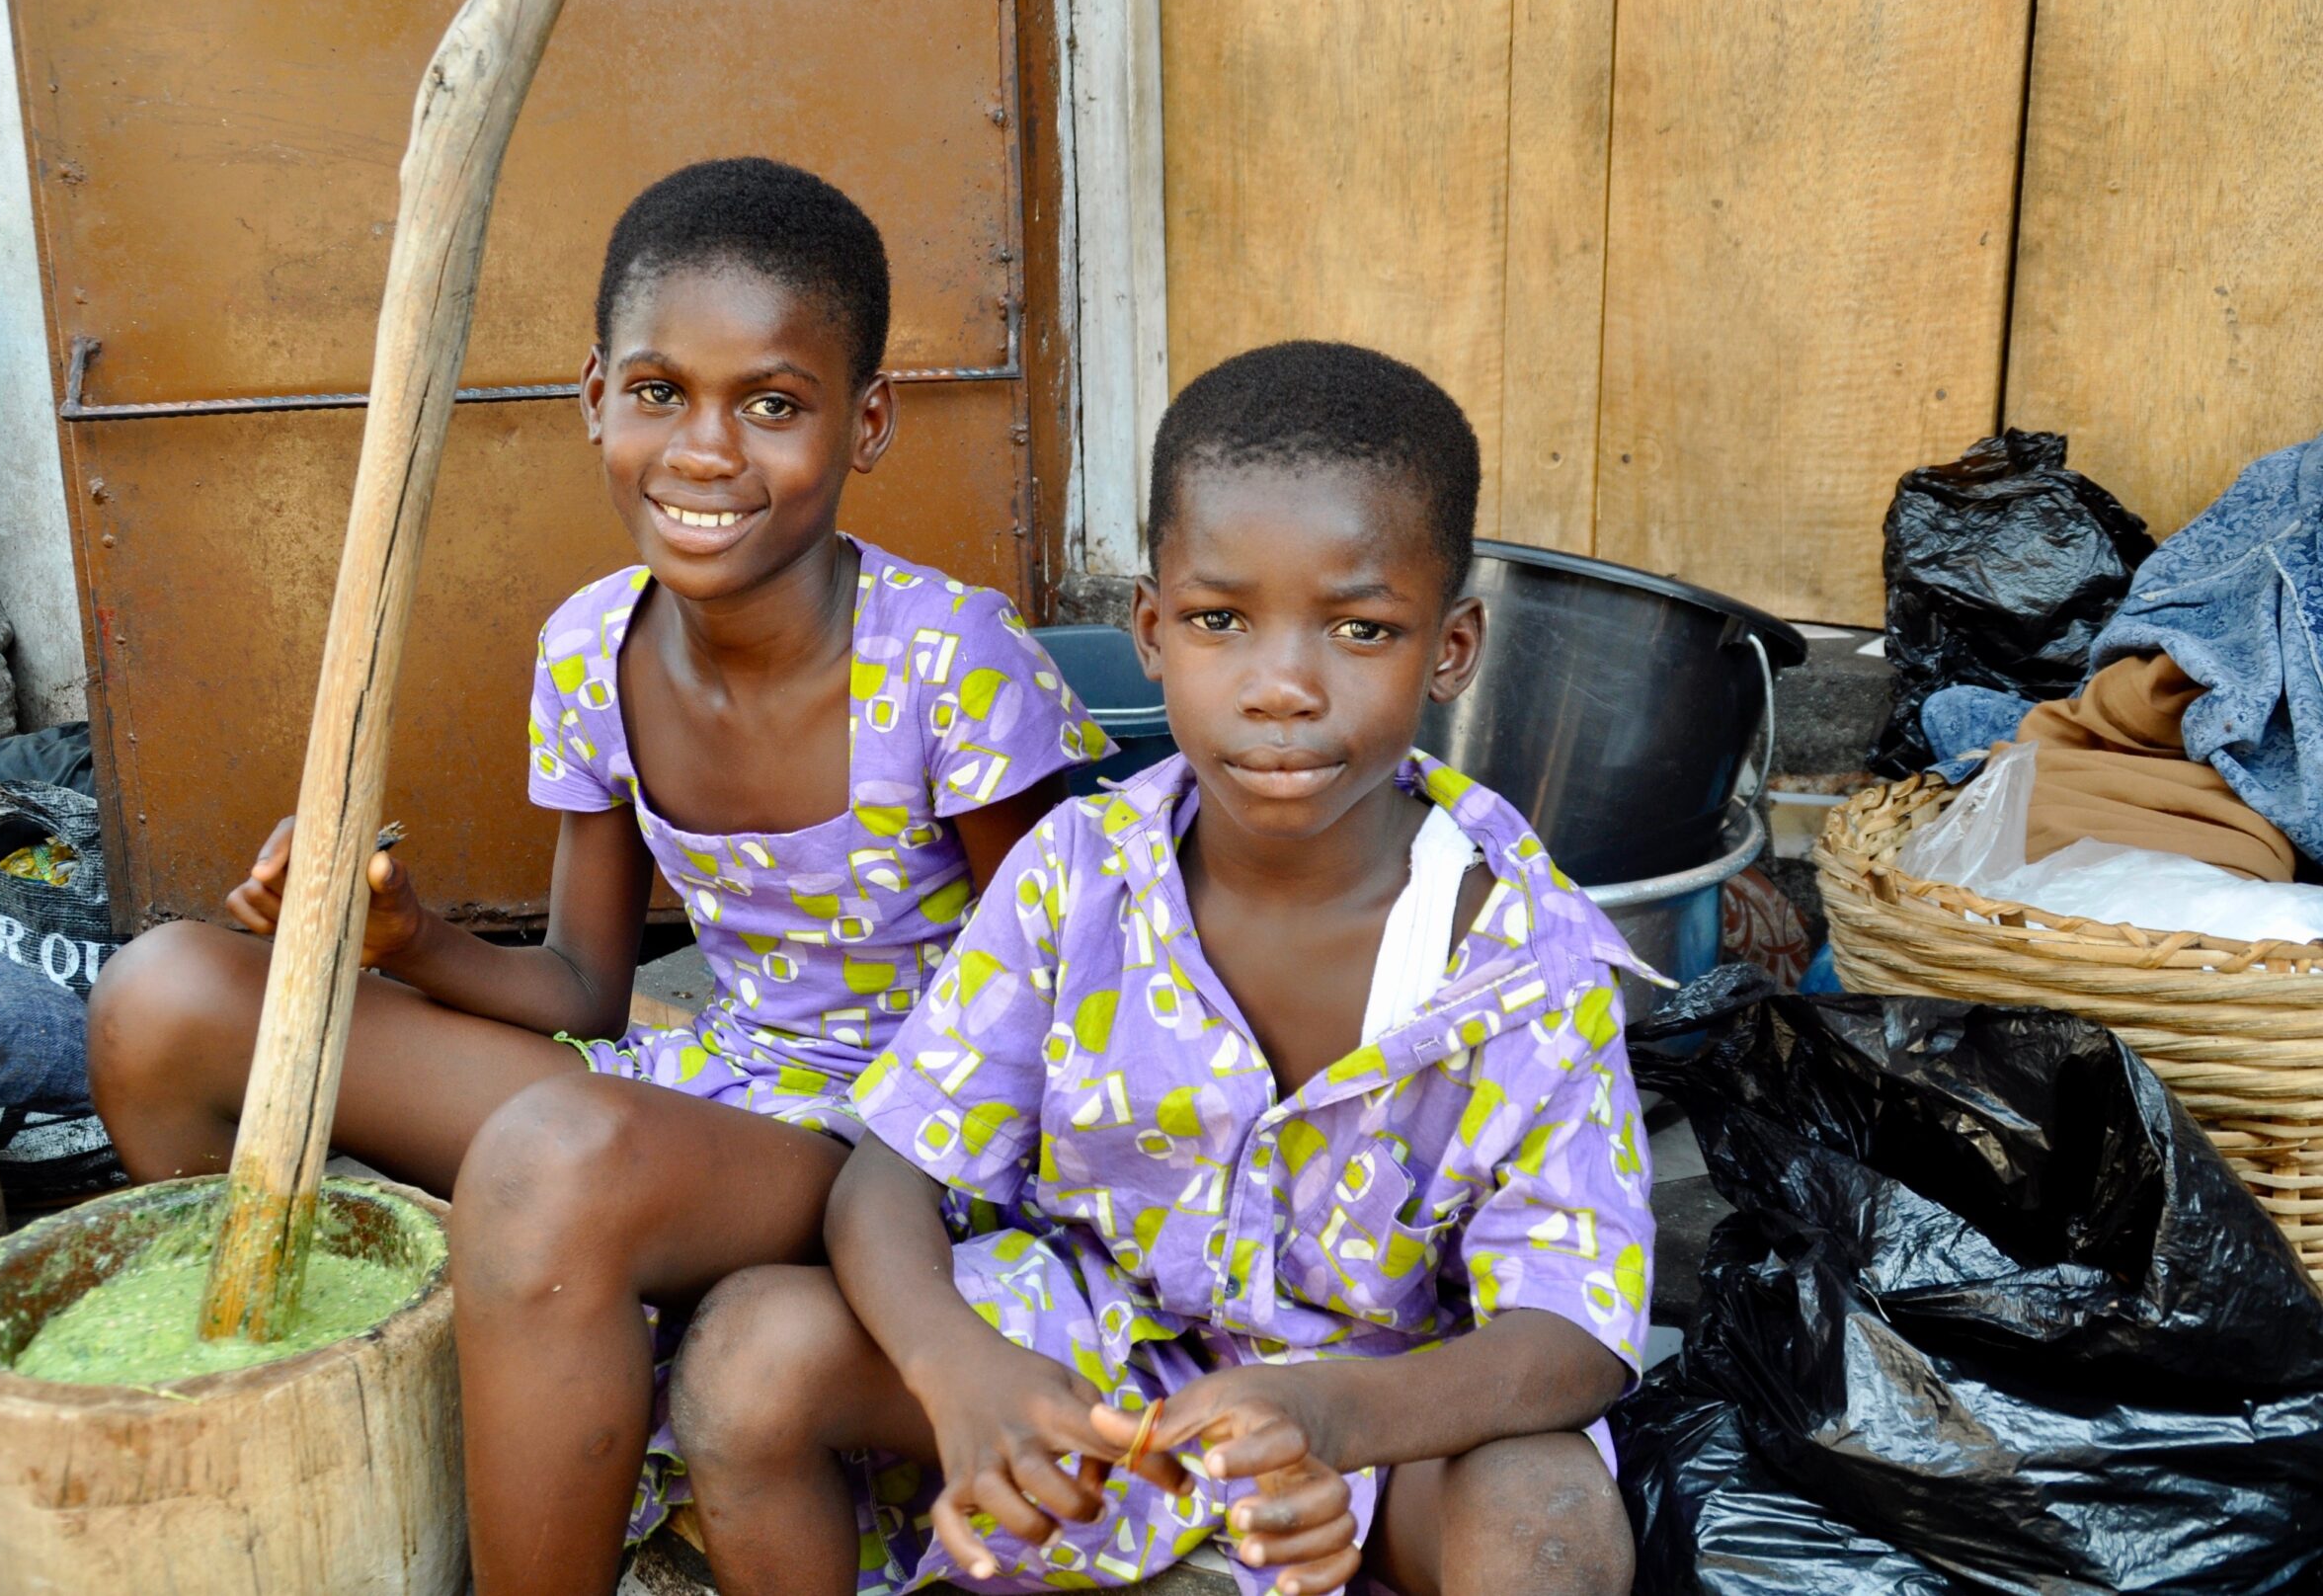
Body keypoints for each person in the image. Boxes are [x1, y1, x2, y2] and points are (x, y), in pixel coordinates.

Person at [85, 157, 1107, 1596]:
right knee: (165, 999)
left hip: (907, 1153)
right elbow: (585, 988)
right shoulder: (590, 649)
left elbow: (1064, 1027)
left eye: (772, 404)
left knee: (555, 1160)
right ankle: (307, 1481)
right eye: (658, 392)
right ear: (593, 400)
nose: (704, 452)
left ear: (864, 423)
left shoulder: (953, 665)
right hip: (723, 1090)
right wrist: (403, 935)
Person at [666, 341, 1662, 1596]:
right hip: (1095, 1378)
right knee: (749, 1353)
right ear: (1148, 627)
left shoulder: (1524, 957)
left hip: (1378, 1422)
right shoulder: (1079, 872)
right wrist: (957, 1368)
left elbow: (1575, 1333)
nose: (1281, 686)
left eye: (1361, 628)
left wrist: (1334, 1415)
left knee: (1548, 1517)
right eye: (1218, 620)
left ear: (1451, 647)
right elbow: (888, 1175)